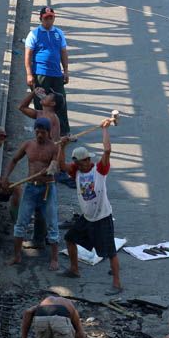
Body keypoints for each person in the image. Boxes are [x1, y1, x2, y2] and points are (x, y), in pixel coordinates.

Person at [56, 118, 121, 293]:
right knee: (69, 238)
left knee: (110, 252)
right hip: (87, 218)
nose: (86, 163)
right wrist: (62, 146)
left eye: (87, 160)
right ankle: (74, 269)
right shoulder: (75, 171)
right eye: (82, 161)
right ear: (77, 163)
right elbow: (61, 165)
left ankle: (117, 284)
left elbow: (107, 150)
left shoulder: (99, 170)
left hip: (102, 217)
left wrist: (104, 129)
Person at [3, 118, 60, 269]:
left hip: (47, 188)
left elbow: (55, 167)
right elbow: (14, 159)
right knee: (20, 223)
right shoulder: (28, 145)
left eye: (43, 132)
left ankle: (54, 259)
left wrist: (48, 170)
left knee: (52, 224)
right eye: (37, 132)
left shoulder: (54, 148)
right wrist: (6, 177)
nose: (40, 135)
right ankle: (17, 256)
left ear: (48, 133)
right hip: (30, 188)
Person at [25, 6, 70, 136]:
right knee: (41, 103)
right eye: (46, 18)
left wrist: (65, 70)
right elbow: (28, 55)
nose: (49, 21)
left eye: (51, 18)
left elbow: (63, 52)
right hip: (41, 73)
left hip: (56, 73)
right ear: (41, 19)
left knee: (60, 101)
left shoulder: (58, 33)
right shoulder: (34, 34)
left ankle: (64, 131)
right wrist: (29, 74)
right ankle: (42, 132)